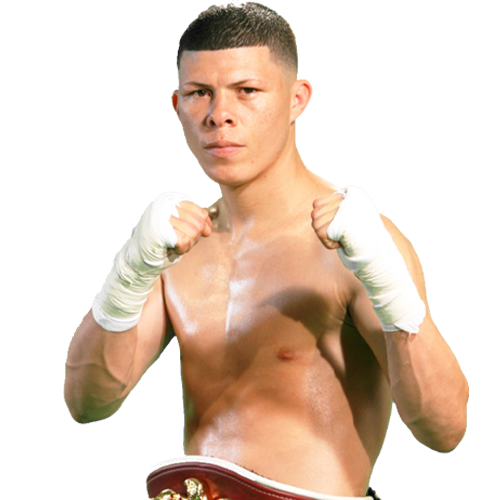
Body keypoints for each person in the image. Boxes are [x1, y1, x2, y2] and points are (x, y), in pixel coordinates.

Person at [63, 2, 469, 499]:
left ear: (298, 98)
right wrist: (128, 272)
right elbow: (87, 403)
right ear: (176, 104)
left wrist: (386, 277)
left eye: (247, 91)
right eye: (199, 93)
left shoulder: (358, 245)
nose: (219, 115)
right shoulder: (175, 245)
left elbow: (444, 430)